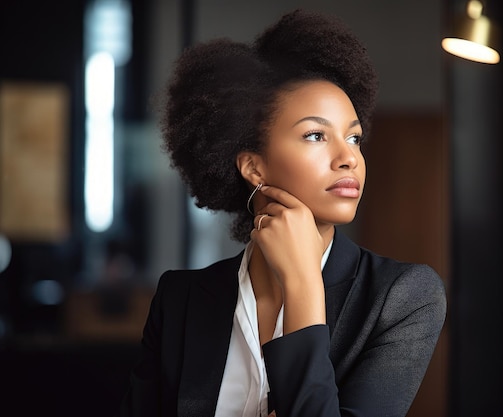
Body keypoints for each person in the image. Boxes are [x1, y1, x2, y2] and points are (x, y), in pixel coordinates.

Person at [121, 9, 446, 417]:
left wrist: (303, 283)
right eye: (315, 135)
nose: (349, 158)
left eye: (354, 137)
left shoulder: (402, 297)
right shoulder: (180, 300)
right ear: (253, 166)